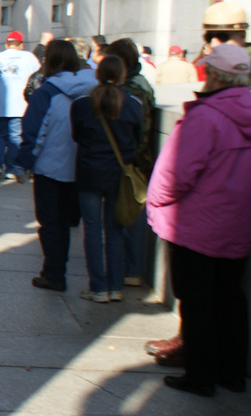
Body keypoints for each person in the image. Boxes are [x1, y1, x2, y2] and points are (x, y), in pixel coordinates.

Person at [146, 44, 251, 396]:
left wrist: (155, 202)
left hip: (197, 224)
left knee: (197, 300)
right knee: (230, 298)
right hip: (239, 221)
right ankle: (231, 374)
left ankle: (200, 376)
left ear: (216, 75)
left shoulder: (207, 116)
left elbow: (176, 173)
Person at [18, 40, 96, 291]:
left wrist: (23, 164)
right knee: (69, 222)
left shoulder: (46, 92)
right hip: (82, 168)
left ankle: (54, 273)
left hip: (49, 169)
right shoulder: (94, 88)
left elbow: (34, 132)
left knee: (51, 223)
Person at [70, 56, 143, 302]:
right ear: (123, 74)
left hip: (89, 172)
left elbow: (77, 136)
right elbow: (138, 141)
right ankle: (115, 286)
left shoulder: (82, 104)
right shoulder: (134, 104)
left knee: (92, 230)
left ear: (98, 74)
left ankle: (98, 287)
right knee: (115, 231)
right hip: (119, 176)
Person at [106, 38, 158, 287]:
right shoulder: (139, 84)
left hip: (132, 160)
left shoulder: (133, 90)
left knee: (130, 214)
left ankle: (132, 269)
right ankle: (130, 268)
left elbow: (138, 130)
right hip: (136, 157)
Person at [0, 30, 41, 179]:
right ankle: (11, 169)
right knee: (16, 136)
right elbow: (38, 78)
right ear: (21, 45)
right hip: (20, 105)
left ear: (6, 44)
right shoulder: (29, 57)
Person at [197, 0, 251, 102]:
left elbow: (248, 113)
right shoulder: (222, 65)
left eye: (223, 37)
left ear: (242, 36)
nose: (214, 44)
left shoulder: (250, 69)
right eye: (209, 37)